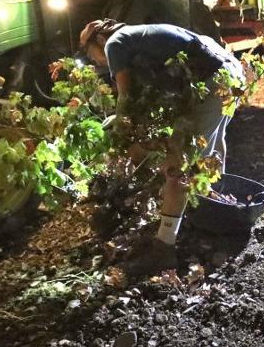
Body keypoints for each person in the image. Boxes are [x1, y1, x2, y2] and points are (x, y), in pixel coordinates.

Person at [79, 19, 245, 273]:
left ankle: (164, 249)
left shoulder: (115, 43)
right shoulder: (140, 37)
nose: (97, 63)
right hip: (230, 72)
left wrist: (124, 136)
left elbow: (126, 99)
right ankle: (210, 212)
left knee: (177, 166)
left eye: (92, 56)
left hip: (211, 81)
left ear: (99, 40)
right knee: (211, 143)